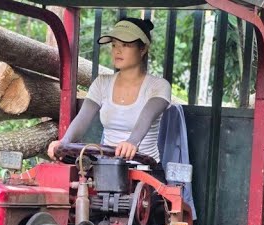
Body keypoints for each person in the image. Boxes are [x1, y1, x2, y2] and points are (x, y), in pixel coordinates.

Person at [46, 18, 172, 163]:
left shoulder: (159, 86)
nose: (117, 50)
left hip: (145, 169)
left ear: (142, 49)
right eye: (114, 45)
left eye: (125, 45)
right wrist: (64, 141)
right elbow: (82, 119)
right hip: (106, 167)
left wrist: (132, 142)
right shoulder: (101, 83)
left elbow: (146, 117)